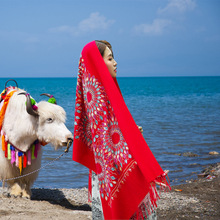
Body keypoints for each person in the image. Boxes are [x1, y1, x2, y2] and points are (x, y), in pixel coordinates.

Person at [72, 40, 170, 219]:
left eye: (113, 58)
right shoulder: (99, 97)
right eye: (109, 59)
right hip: (109, 170)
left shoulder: (98, 92)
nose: (115, 63)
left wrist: (129, 131)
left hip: (102, 170)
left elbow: (110, 130)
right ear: (97, 64)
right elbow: (105, 139)